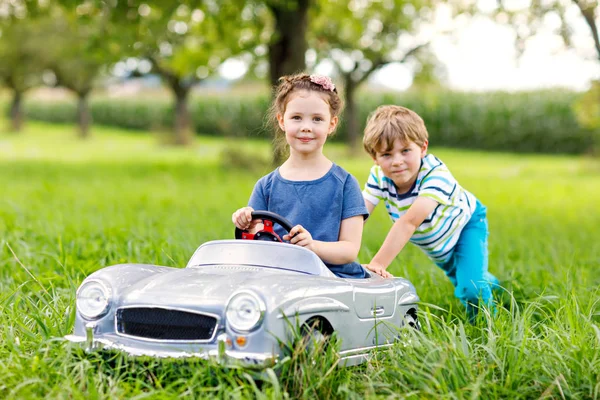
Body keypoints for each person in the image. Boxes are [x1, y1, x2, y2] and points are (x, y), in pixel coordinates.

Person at [361, 105, 499, 318]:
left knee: (471, 289)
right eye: (387, 154)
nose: (397, 161)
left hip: (465, 226)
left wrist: (377, 264)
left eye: (405, 151)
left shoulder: (436, 176)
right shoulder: (379, 176)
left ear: (423, 147)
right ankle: (496, 286)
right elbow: (359, 213)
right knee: (465, 278)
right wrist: (334, 243)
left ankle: (488, 328)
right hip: (437, 243)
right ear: (375, 158)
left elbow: (408, 222)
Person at [232, 73, 368, 279]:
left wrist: (313, 246)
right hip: (280, 275)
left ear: (331, 124)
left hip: (331, 278)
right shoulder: (265, 186)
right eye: (296, 118)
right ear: (281, 121)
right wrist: (247, 223)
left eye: (317, 119)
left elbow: (349, 250)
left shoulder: (345, 184)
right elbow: (259, 244)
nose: (306, 126)